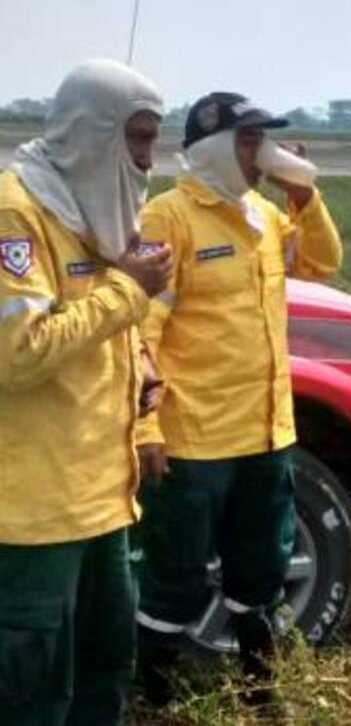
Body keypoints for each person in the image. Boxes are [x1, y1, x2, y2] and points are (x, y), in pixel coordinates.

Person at [132, 92, 343, 706]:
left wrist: (304, 195)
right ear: (216, 147)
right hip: (195, 440)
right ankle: (158, 698)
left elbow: (323, 263)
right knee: (174, 575)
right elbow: (139, 331)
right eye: (250, 141)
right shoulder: (168, 218)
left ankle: (260, 689)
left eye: (264, 142)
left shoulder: (261, 217)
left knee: (262, 569)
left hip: (264, 434)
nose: (263, 154)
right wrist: (147, 429)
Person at [0, 59, 171, 726]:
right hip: (36, 518)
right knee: (35, 699)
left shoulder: (93, 213)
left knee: (104, 677)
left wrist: (141, 361)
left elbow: (97, 322)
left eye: (153, 139)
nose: (148, 160)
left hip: (103, 506)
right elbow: (19, 353)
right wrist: (130, 291)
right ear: (95, 133)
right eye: (138, 137)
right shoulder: (19, 216)